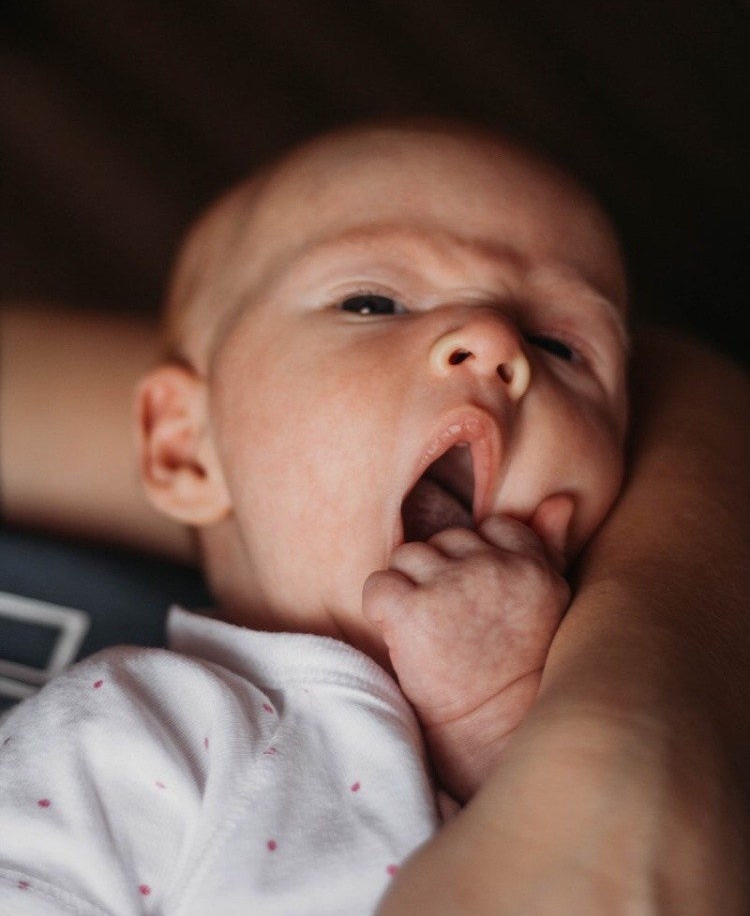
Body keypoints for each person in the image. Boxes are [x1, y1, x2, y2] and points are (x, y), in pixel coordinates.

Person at [1, 122, 749, 912]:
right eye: (373, 301)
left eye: (562, 346)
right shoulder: (148, 730)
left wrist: (488, 721)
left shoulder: (580, 732)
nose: (493, 340)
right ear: (189, 448)